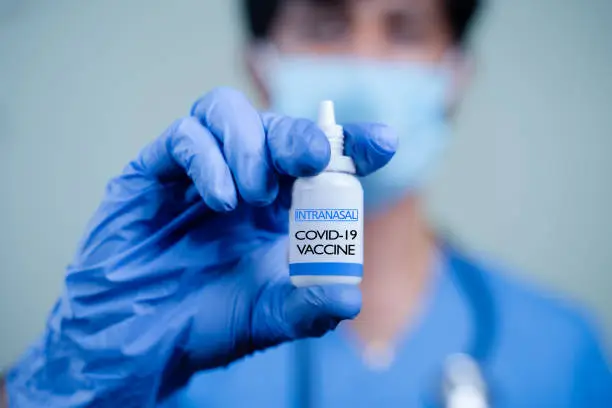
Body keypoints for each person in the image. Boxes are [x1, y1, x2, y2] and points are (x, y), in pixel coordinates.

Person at [2, 0, 610, 407]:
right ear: (261, 65)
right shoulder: (172, 323)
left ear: (455, 74)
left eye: (404, 29)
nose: (364, 65)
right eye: (326, 25)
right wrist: (59, 380)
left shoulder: (561, 350)